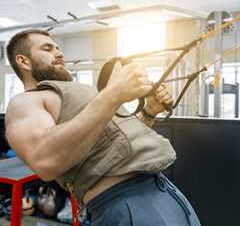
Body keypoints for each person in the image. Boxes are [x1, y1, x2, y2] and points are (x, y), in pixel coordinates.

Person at [5, 29, 201, 226]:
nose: (59, 53)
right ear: (24, 61)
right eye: (47, 49)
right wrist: (112, 95)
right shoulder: (25, 102)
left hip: (165, 191)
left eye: (58, 48)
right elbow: (44, 160)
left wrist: (149, 112)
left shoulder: (86, 97)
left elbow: (117, 143)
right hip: (123, 201)